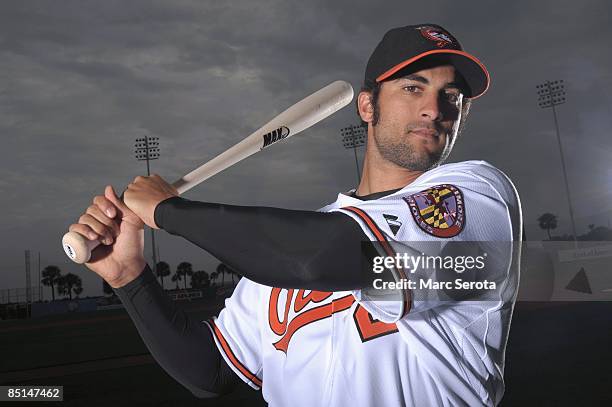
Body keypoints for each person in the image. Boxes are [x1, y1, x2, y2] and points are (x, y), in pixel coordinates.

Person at [70, 24, 521, 406]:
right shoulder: (284, 247)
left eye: (452, 95)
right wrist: (129, 276)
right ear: (368, 106)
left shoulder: (479, 198)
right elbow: (208, 370)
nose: (434, 108)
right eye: (412, 87)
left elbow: (327, 258)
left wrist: (169, 211)